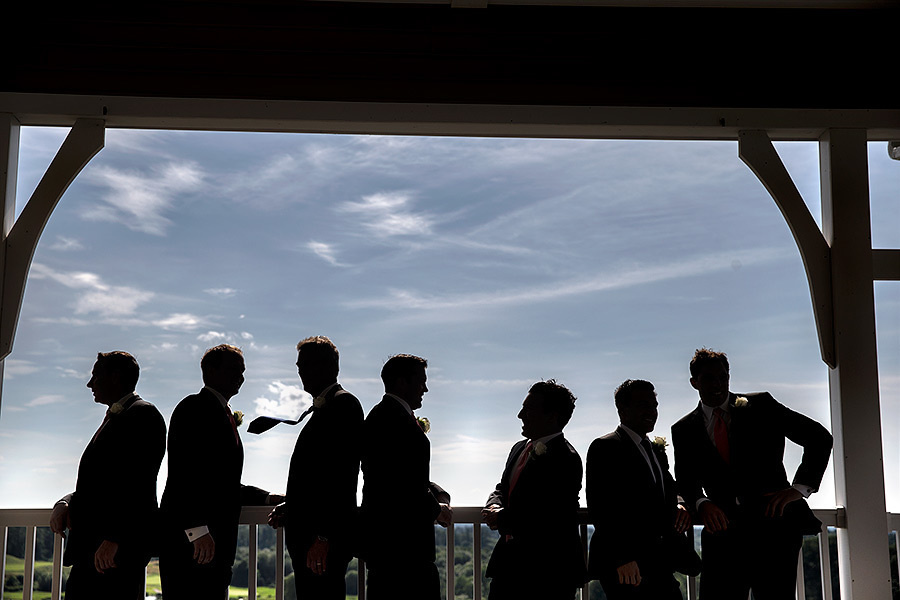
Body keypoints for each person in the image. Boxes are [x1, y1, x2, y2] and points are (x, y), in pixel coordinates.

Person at [671, 348, 833, 599]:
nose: (718, 384)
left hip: (774, 530)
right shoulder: (683, 429)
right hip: (723, 536)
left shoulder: (762, 406)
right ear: (694, 382)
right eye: (709, 378)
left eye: (723, 377)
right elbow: (685, 481)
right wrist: (702, 503)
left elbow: (819, 437)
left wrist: (799, 489)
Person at [159, 344, 281, 600]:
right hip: (192, 545)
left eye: (243, 370)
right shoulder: (192, 407)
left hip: (214, 546)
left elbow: (222, 483)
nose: (241, 376)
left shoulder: (223, 414)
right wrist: (197, 530)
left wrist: (266, 498)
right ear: (209, 371)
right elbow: (184, 473)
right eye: (233, 369)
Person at [49, 351, 166, 600]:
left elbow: (139, 483)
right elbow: (100, 483)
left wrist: (115, 538)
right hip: (94, 551)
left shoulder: (144, 414)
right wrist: (66, 502)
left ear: (115, 377)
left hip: (113, 555)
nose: (90, 384)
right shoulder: (119, 415)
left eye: (95, 376)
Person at [267, 336, 364, 599]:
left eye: (304, 365)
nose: (299, 372)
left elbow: (340, 477)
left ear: (325, 366)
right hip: (312, 540)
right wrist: (292, 505)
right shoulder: (329, 405)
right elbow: (315, 477)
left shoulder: (344, 404)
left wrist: (323, 537)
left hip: (320, 543)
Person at [586, 379, 698, 600]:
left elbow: (668, 485)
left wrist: (678, 502)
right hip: (628, 567)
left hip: (658, 560)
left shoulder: (656, 450)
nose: (652, 411)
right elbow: (601, 508)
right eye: (643, 405)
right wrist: (622, 559)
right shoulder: (605, 447)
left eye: (654, 405)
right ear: (623, 410)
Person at [482, 380, 585, 600]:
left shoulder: (567, 458)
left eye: (528, 409)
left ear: (552, 416)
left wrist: (502, 519)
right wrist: (494, 505)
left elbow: (548, 514)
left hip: (548, 574)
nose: (520, 415)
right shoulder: (519, 448)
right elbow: (502, 488)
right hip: (508, 568)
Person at [360, 354, 452, 600]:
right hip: (400, 548)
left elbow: (409, 472)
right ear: (401, 382)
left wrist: (437, 491)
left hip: (394, 549)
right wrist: (437, 510)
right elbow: (400, 482)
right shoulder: (388, 419)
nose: (425, 388)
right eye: (421, 381)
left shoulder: (386, 415)